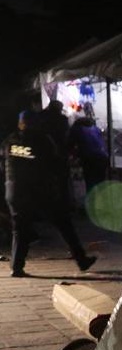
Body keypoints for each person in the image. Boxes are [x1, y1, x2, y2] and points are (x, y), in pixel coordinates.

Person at [4, 111, 96, 277]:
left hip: (14, 190)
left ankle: (16, 267)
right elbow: (55, 164)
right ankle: (81, 260)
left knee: (20, 229)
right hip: (37, 190)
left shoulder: (9, 141)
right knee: (63, 223)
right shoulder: (41, 140)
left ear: (20, 124)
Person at [67, 116, 108, 191]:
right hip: (102, 156)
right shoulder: (96, 129)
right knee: (100, 181)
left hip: (89, 157)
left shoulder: (76, 129)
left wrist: (72, 156)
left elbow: (70, 144)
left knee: (90, 181)